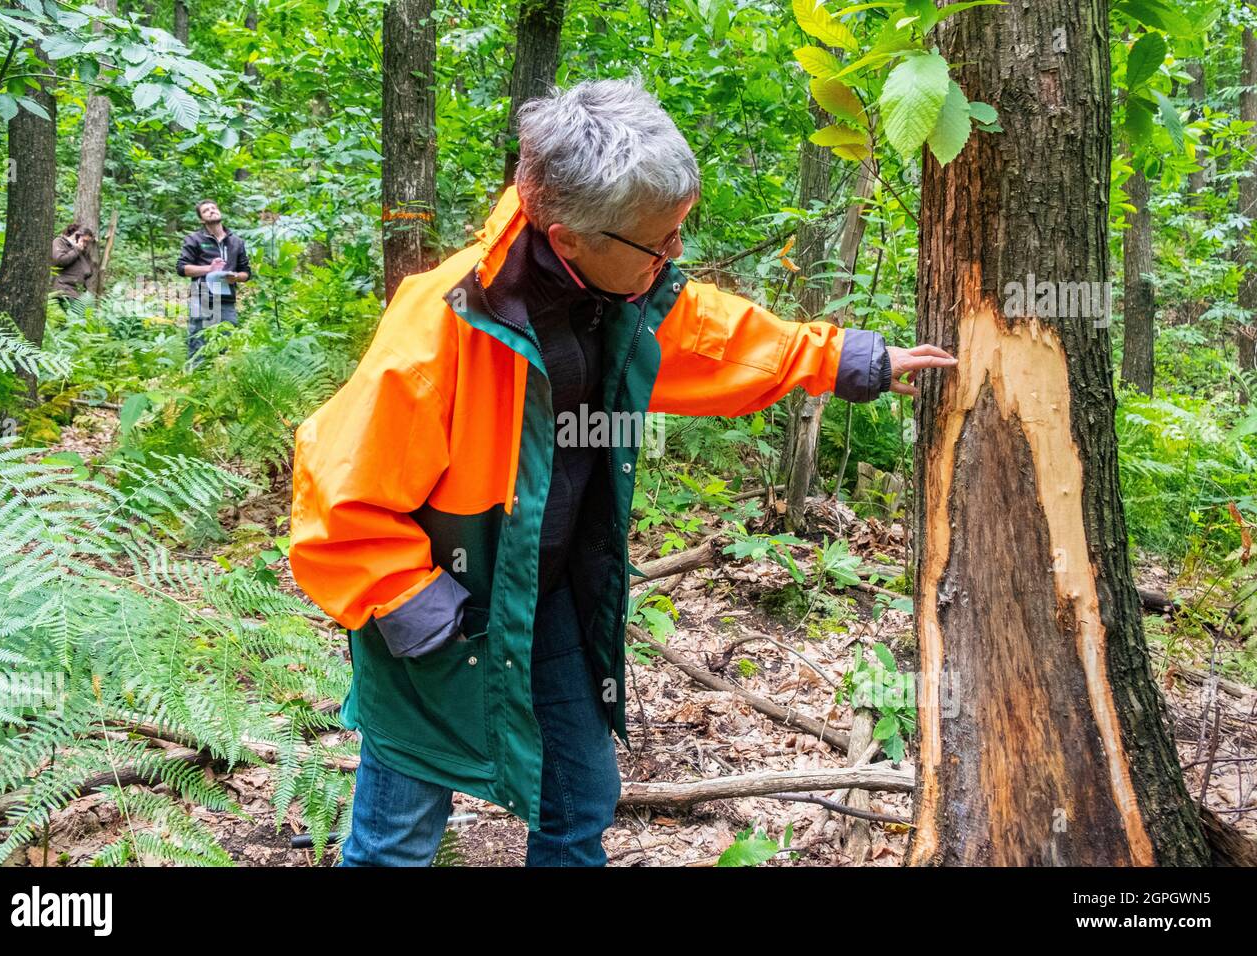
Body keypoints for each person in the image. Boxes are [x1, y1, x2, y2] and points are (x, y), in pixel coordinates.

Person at [288, 78, 957, 867]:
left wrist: (845, 358)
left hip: (557, 599)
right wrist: (420, 609)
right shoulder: (441, 326)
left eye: (679, 231)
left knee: (578, 806)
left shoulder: (627, 292)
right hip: (440, 622)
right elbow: (339, 497)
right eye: (659, 240)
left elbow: (716, 338)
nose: (675, 254)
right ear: (569, 236)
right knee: (396, 840)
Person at [176, 199, 252, 361]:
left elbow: (246, 272)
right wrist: (209, 269)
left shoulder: (236, 242)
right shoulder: (194, 239)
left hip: (227, 299)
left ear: (220, 212)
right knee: (198, 345)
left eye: (214, 208)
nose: (211, 211)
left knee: (228, 344)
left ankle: (223, 382)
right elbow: (182, 268)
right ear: (202, 219)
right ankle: (194, 380)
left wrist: (236, 277)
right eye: (206, 210)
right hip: (201, 297)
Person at [50, 223, 96, 312]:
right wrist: (77, 250)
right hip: (63, 292)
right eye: (84, 240)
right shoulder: (60, 242)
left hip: (76, 294)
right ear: (76, 235)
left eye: (88, 242)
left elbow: (87, 271)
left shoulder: (82, 250)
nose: (85, 244)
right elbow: (59, 260)